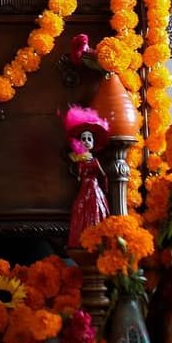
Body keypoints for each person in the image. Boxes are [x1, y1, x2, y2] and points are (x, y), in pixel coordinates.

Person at [64, 106, 110, 250]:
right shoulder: (78, 160)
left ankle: (97, 240)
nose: (86, 141)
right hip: (83, 188)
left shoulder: (94, 161)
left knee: (95, 210)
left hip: (94, 188)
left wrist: (106, 188)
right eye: (83, 139)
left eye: (89, 139)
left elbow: (103, 175)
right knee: (80, 209)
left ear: (93, 142)